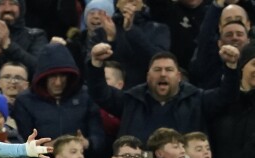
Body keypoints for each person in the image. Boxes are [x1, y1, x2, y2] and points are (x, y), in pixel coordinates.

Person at [87, 43, 240, 142]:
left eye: (169, 70)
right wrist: (96, 63)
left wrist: (231, 67)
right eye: (157, 70)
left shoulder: (197, 99)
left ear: (178, 77)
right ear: (148, 76)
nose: (163, 74)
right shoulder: (131, 100)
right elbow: (101, 93)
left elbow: (227, 95)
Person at [0, 0, 47, 77]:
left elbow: (40, 68)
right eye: (2, 4)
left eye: (13, 3)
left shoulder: (36, 36)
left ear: (21, 8)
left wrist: (8, 45)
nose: (7, 9)